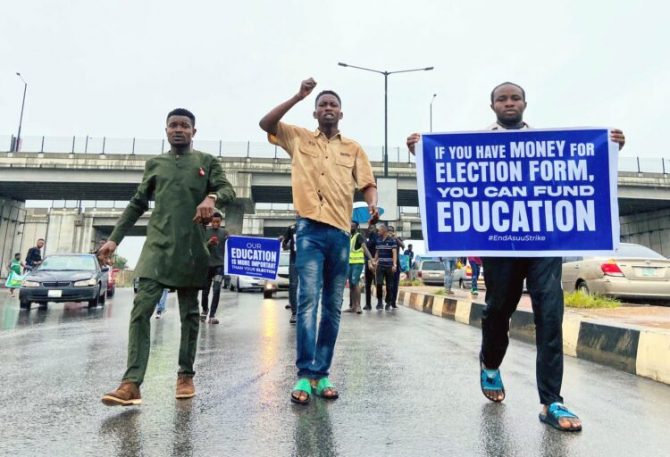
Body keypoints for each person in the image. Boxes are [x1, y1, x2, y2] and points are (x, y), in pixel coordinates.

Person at [407, 82, 626, 432]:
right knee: (498, 311)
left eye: (515, 98)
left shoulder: (550, 145)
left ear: (525, 103)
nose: (509, 103)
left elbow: (586, 167)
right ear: (492, 105)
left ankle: (551, 401)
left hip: (544, 246)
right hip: (500, 247)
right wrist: (420, 153)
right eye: (502, 99)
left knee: (550, 316)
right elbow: (446, 174)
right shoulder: (477, 145)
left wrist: (610, 149)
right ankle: (490, 362)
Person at [98, 108, 236, 407]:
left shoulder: (206, 162)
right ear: (166, 130)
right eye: (173, 125)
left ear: (193, 132)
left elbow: (227, 189)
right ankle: (131, 383)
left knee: (190, 315)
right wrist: (113, 239)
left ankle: (185, 375)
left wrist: (211, 197)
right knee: (140, 311)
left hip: (192, 249)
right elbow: (137, 203)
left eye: (185, 125)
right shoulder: (155, 165)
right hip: (157, 249)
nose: (179, 130)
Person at [259, 77, 378, 405]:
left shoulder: (353, 148)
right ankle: (304, 373)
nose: (328, 108)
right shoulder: (297, 138)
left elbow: (367, 183)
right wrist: (297, 96)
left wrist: (372, 203)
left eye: (333, 105)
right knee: (308, 300)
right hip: (309, 229)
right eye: (322, 104)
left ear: (341, 113)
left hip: (339, 233)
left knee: (332, 307)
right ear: (315, 112)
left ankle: (322, 372)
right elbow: (266, 124)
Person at [201, 213, 228, 324]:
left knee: (216, 290)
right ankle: (205, 309)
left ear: (221, 222)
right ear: (211, 221)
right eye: (214, 221)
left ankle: (212, 315)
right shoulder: (206, 231)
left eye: (218, 222)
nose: (216, 223)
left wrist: (229, 239)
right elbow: (201, 246)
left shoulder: (224, 233)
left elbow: (231, 245)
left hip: (219, 266)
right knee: (205, 291)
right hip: (207, 266)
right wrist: (209, 243)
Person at [344, 221, 370, 314]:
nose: (351, 227)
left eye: (353, 226)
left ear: (357, 227)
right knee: (351, 284)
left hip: (357, 263)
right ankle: (353, 306)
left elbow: (365, 248)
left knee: (355, 282)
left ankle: (358, 306)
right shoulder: (350, 237)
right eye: (350, 226)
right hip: (349, 263)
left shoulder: (359, 236)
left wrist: (371, 259)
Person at [372, 223, 398, 311]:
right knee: (378, 284)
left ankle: (388, 302)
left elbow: (394, 253)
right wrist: (374, 261)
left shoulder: (392, 240)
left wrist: (394, 265)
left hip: (389, 266)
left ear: (384, 230)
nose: (378, 232)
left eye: (379, 230)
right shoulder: (378, 240)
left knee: (389, 285)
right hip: (380, 266)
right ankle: (380, 302)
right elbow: (377, 252)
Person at [281, 222, 298, 324]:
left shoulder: (313, 226)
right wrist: (283, 242)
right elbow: (285, 246)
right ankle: (295, 313)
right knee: (293, 285)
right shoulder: (292, 228)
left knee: (308, 287)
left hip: (308, 261)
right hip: (294, 260)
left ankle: (306, 313)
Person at [363, 225, 379, 310]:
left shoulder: (377, 238)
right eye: (369, 228)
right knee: (368, 284)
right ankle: (368, 304)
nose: (370, 230)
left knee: (377, 284)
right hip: (368, 262)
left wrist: (374, 261)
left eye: (372, 228)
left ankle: (379, 303)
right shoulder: (368, 239)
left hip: (376, 262)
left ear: (375, 229)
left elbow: (378, 250)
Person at [388, 226, 404, 308]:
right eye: (388, 231)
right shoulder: (385, 239)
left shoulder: (397, 239)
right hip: (387, 264)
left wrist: (396, 238)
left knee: (395, 284)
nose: (390, 232)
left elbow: (403, 245)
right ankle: (388, 301)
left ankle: (393, 302)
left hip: (396, 265)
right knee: (389, 284)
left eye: (391, 231)